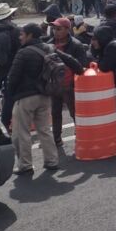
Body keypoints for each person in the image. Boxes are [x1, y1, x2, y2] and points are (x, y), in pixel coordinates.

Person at [3, 24, 61, 174]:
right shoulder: (49, 48)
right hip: (45, 95)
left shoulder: (23, 53)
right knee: (45, 130)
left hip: (25, 97)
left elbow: (13, 77)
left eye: (22, 34)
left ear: (29, 35)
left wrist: (10, 94)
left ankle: (25, 165)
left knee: (21, 133)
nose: (20, 37)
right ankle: (52, 161)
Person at [45, 17, 89, 149]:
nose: (55, 31)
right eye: (54, 29)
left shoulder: (75, 44)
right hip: (54, 85)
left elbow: (82, 65)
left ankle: (82, 134)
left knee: (75, 112)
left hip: (70, 85)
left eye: (58, 29)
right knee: (55, 112)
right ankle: (57, 138)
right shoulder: (49, 44)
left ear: (67, 29)